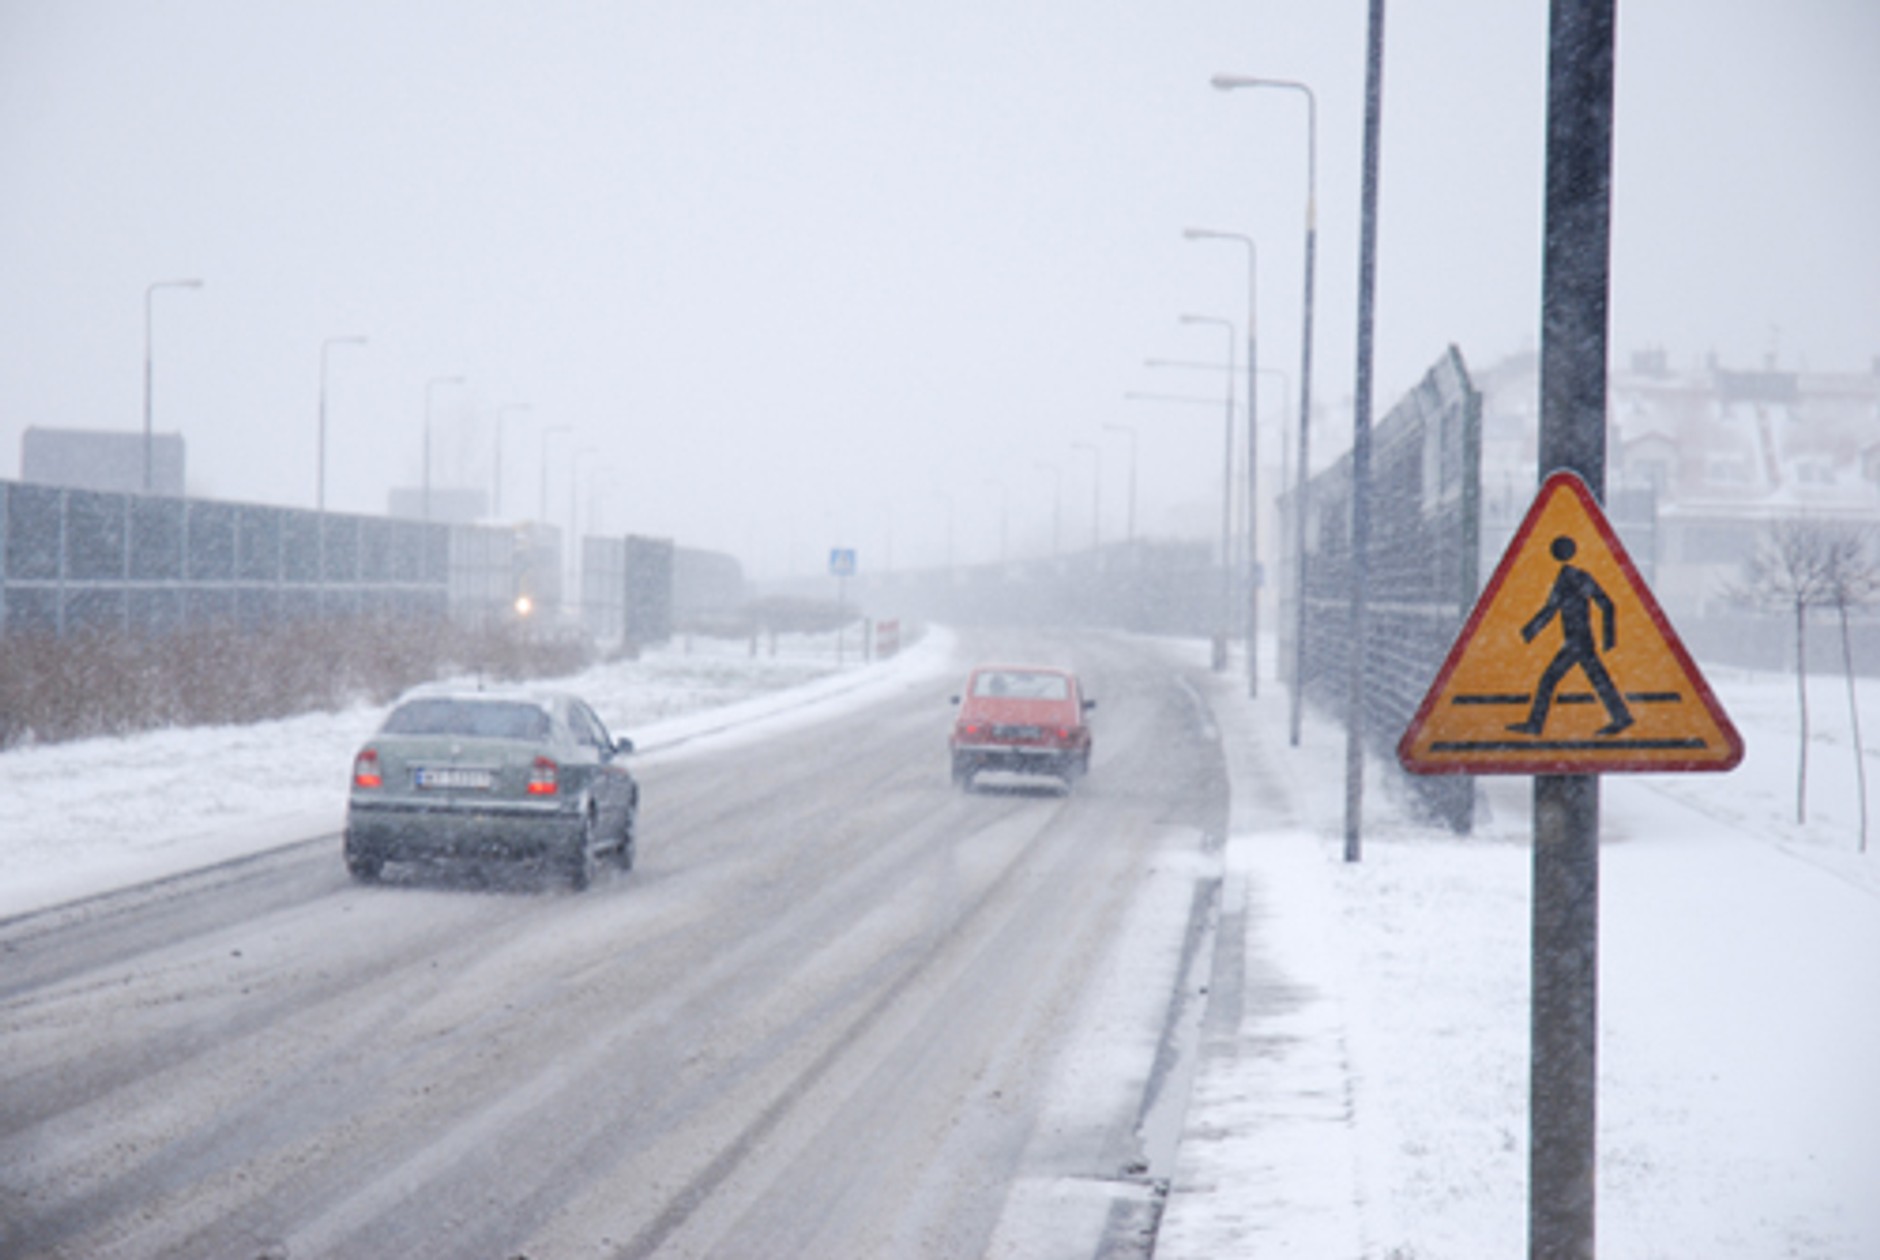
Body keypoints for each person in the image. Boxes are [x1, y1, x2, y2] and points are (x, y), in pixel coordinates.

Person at [1507, 535, 1634, 737]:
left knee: (1550, 679)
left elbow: (1554, 608)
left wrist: (1609, 639)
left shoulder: (1569, 578)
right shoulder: (1578, 576)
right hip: (1580, 640)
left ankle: (1535, 725)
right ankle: (1621, 717)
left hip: (1577, 641)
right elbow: (1603, 604)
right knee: (1598, 680)